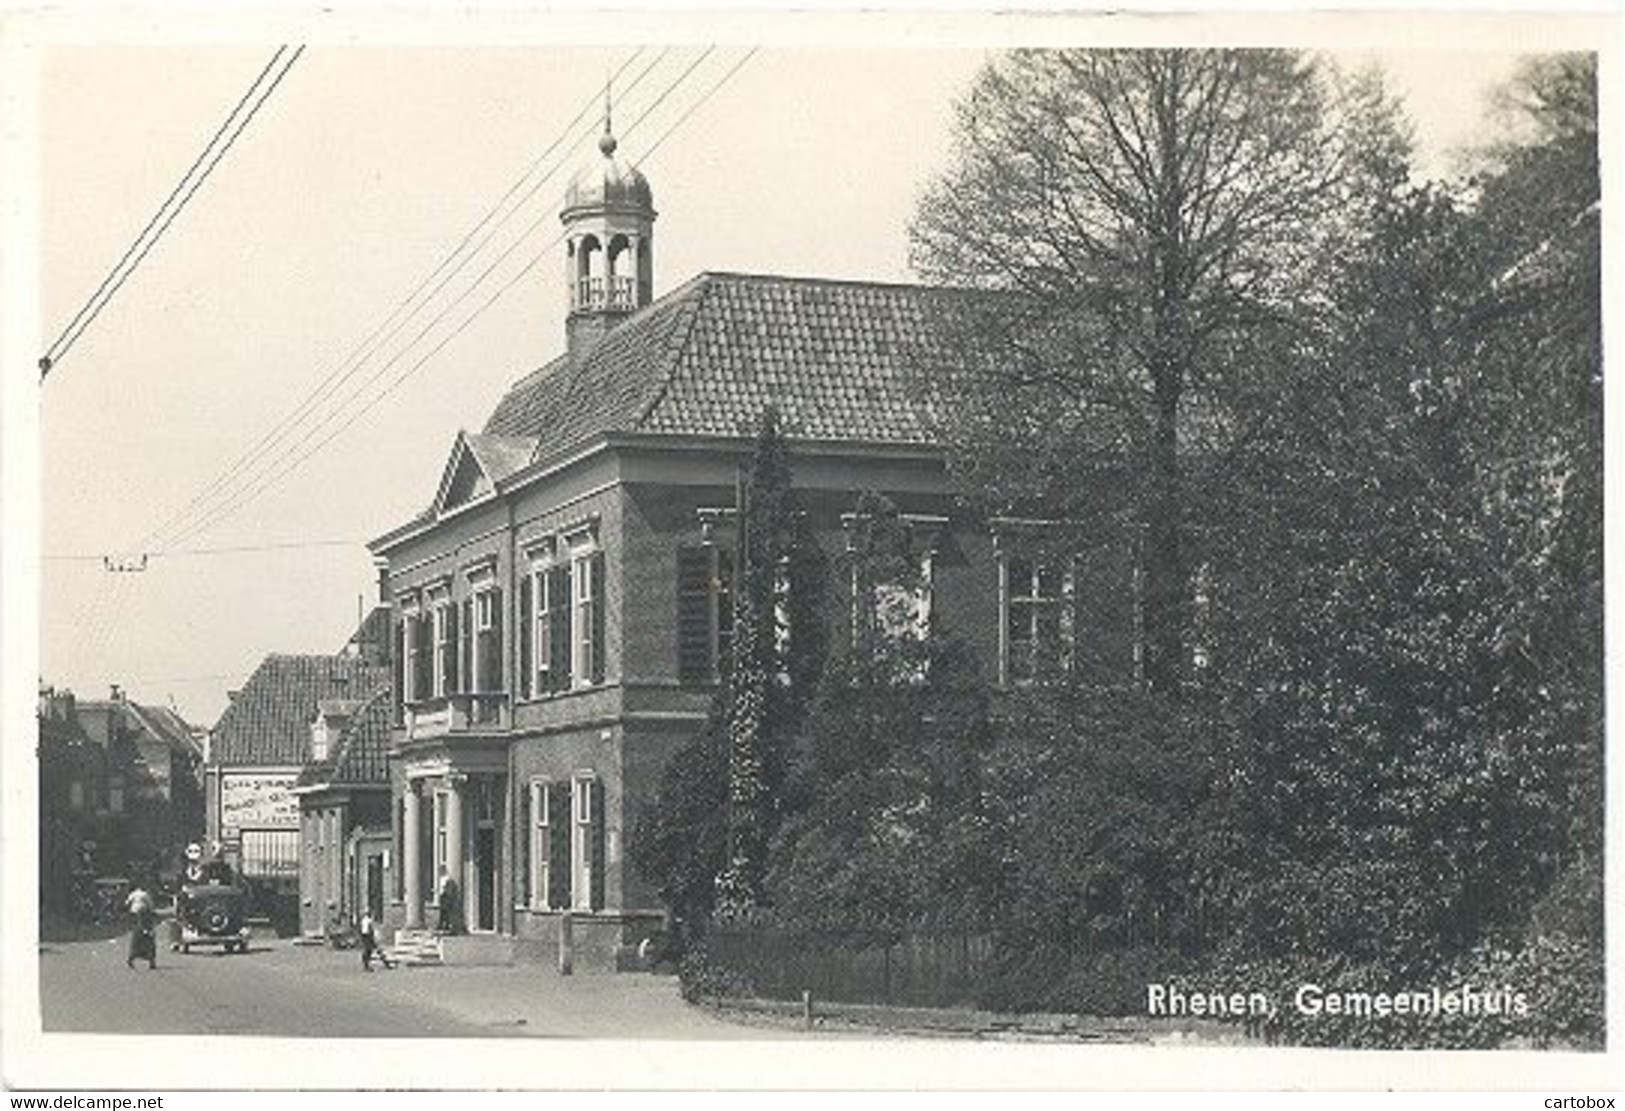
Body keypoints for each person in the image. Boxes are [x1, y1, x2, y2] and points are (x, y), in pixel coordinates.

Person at [124, 882, 156, 970]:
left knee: (136, 938)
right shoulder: (145, 894)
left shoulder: (133, 894)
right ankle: (151, 961)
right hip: (144, 916)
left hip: (134, 915)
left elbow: (126, 903)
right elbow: (151, 905)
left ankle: (131, 959)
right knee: (149, 939)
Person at [435, 868, 459, 934]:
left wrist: (445, 895)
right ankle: (443, 926)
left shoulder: (447, 879)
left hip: (446, 897)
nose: (439, 873)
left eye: (440, 871)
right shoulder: (443, 879)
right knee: (443, 913)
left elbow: (448, 889)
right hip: (443, 897)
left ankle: (446, 926)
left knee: (446, 913)